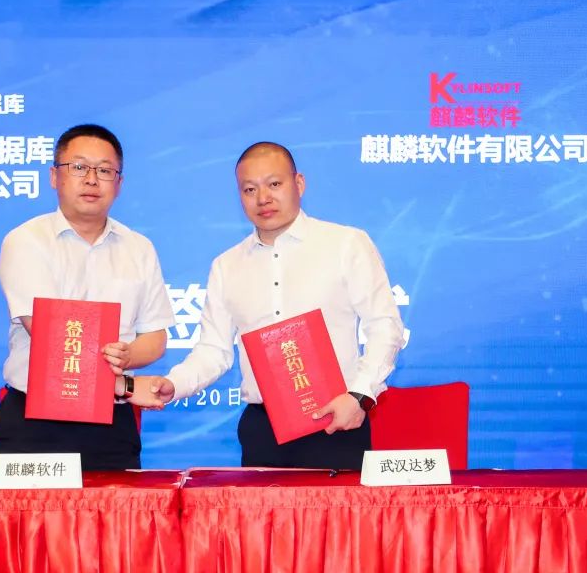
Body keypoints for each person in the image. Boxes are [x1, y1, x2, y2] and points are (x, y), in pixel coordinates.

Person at [130, 142, 404, 469]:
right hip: (262, 429)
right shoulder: (227, 265)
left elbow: (385, 326)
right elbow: (214, 351)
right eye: (250, 189)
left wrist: (360, 396)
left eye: (274, 184)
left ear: (299, 183)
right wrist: (173, 384)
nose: (263, 198)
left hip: (338, 421)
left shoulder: (346, 244)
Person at [0, 124, 174, 470]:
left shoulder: (139, 248)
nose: (91, 179)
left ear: (119, 183)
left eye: (104, 170)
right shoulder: (26, 241)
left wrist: (129, 354)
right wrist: (124, 385)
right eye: (78, 167)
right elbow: (50, 338)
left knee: (119, 508)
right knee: (24, 510)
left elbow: (156, 336)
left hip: (112, 428)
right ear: (54, 176)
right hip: (36, 424)